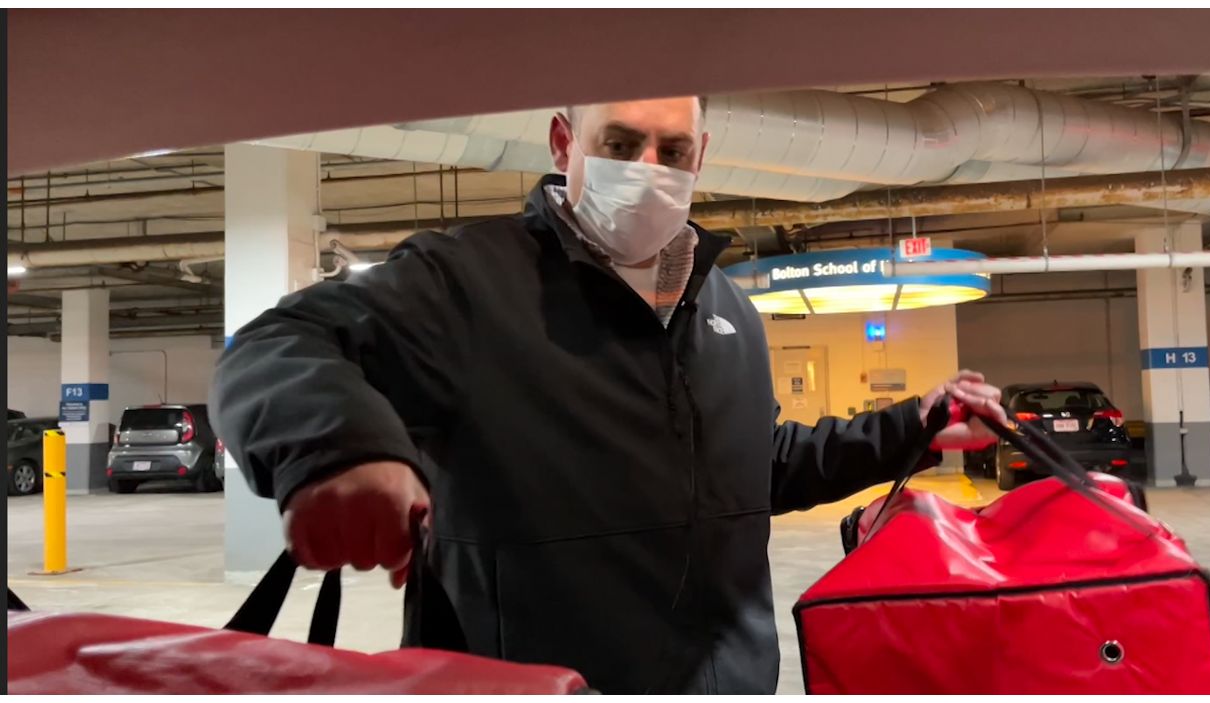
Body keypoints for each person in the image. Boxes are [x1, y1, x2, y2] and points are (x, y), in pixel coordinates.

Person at [210, 95, 1005, 694]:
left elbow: (753, 465)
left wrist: (915, 424)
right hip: (532, 686)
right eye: (620, 144)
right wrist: (340, 449)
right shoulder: (467, 282)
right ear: (565, 143)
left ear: (701, 156)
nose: (648, 168)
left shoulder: (726, 308)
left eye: (672, 149)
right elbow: (276, 343)